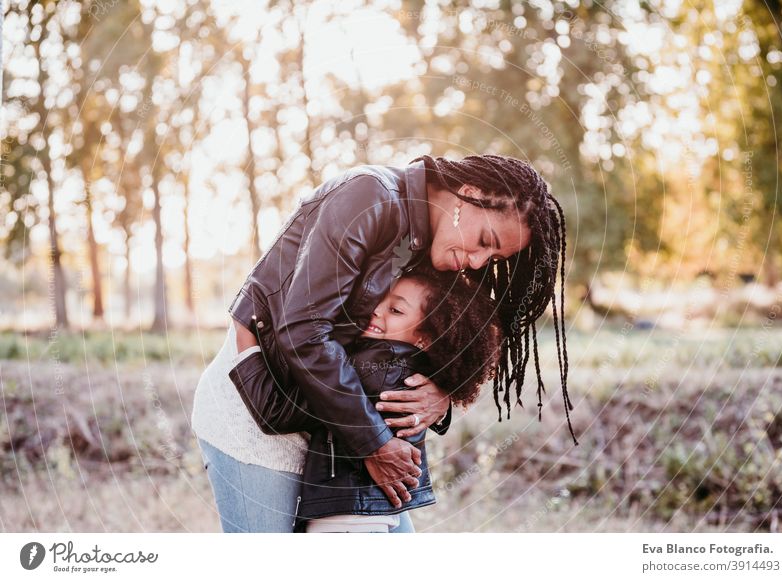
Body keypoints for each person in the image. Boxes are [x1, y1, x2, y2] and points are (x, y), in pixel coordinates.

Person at [190, 154, 576, 533]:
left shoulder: (439, 249)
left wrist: (441, 393)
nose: (478, 262)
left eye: (493, 257)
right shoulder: (368, 197)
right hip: (258, 418)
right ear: (468, 193)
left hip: (338, 438)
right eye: (484, 241)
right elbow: (303, 330)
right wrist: (375, 444)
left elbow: (452, 338)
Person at [295, 261, 502, 532]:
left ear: (425, 339)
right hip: (373, 510)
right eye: (381, 301)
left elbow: (316, 386)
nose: (377, 310)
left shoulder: (377, 364)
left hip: (347, 513)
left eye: (395, 310)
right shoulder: (417, 372)